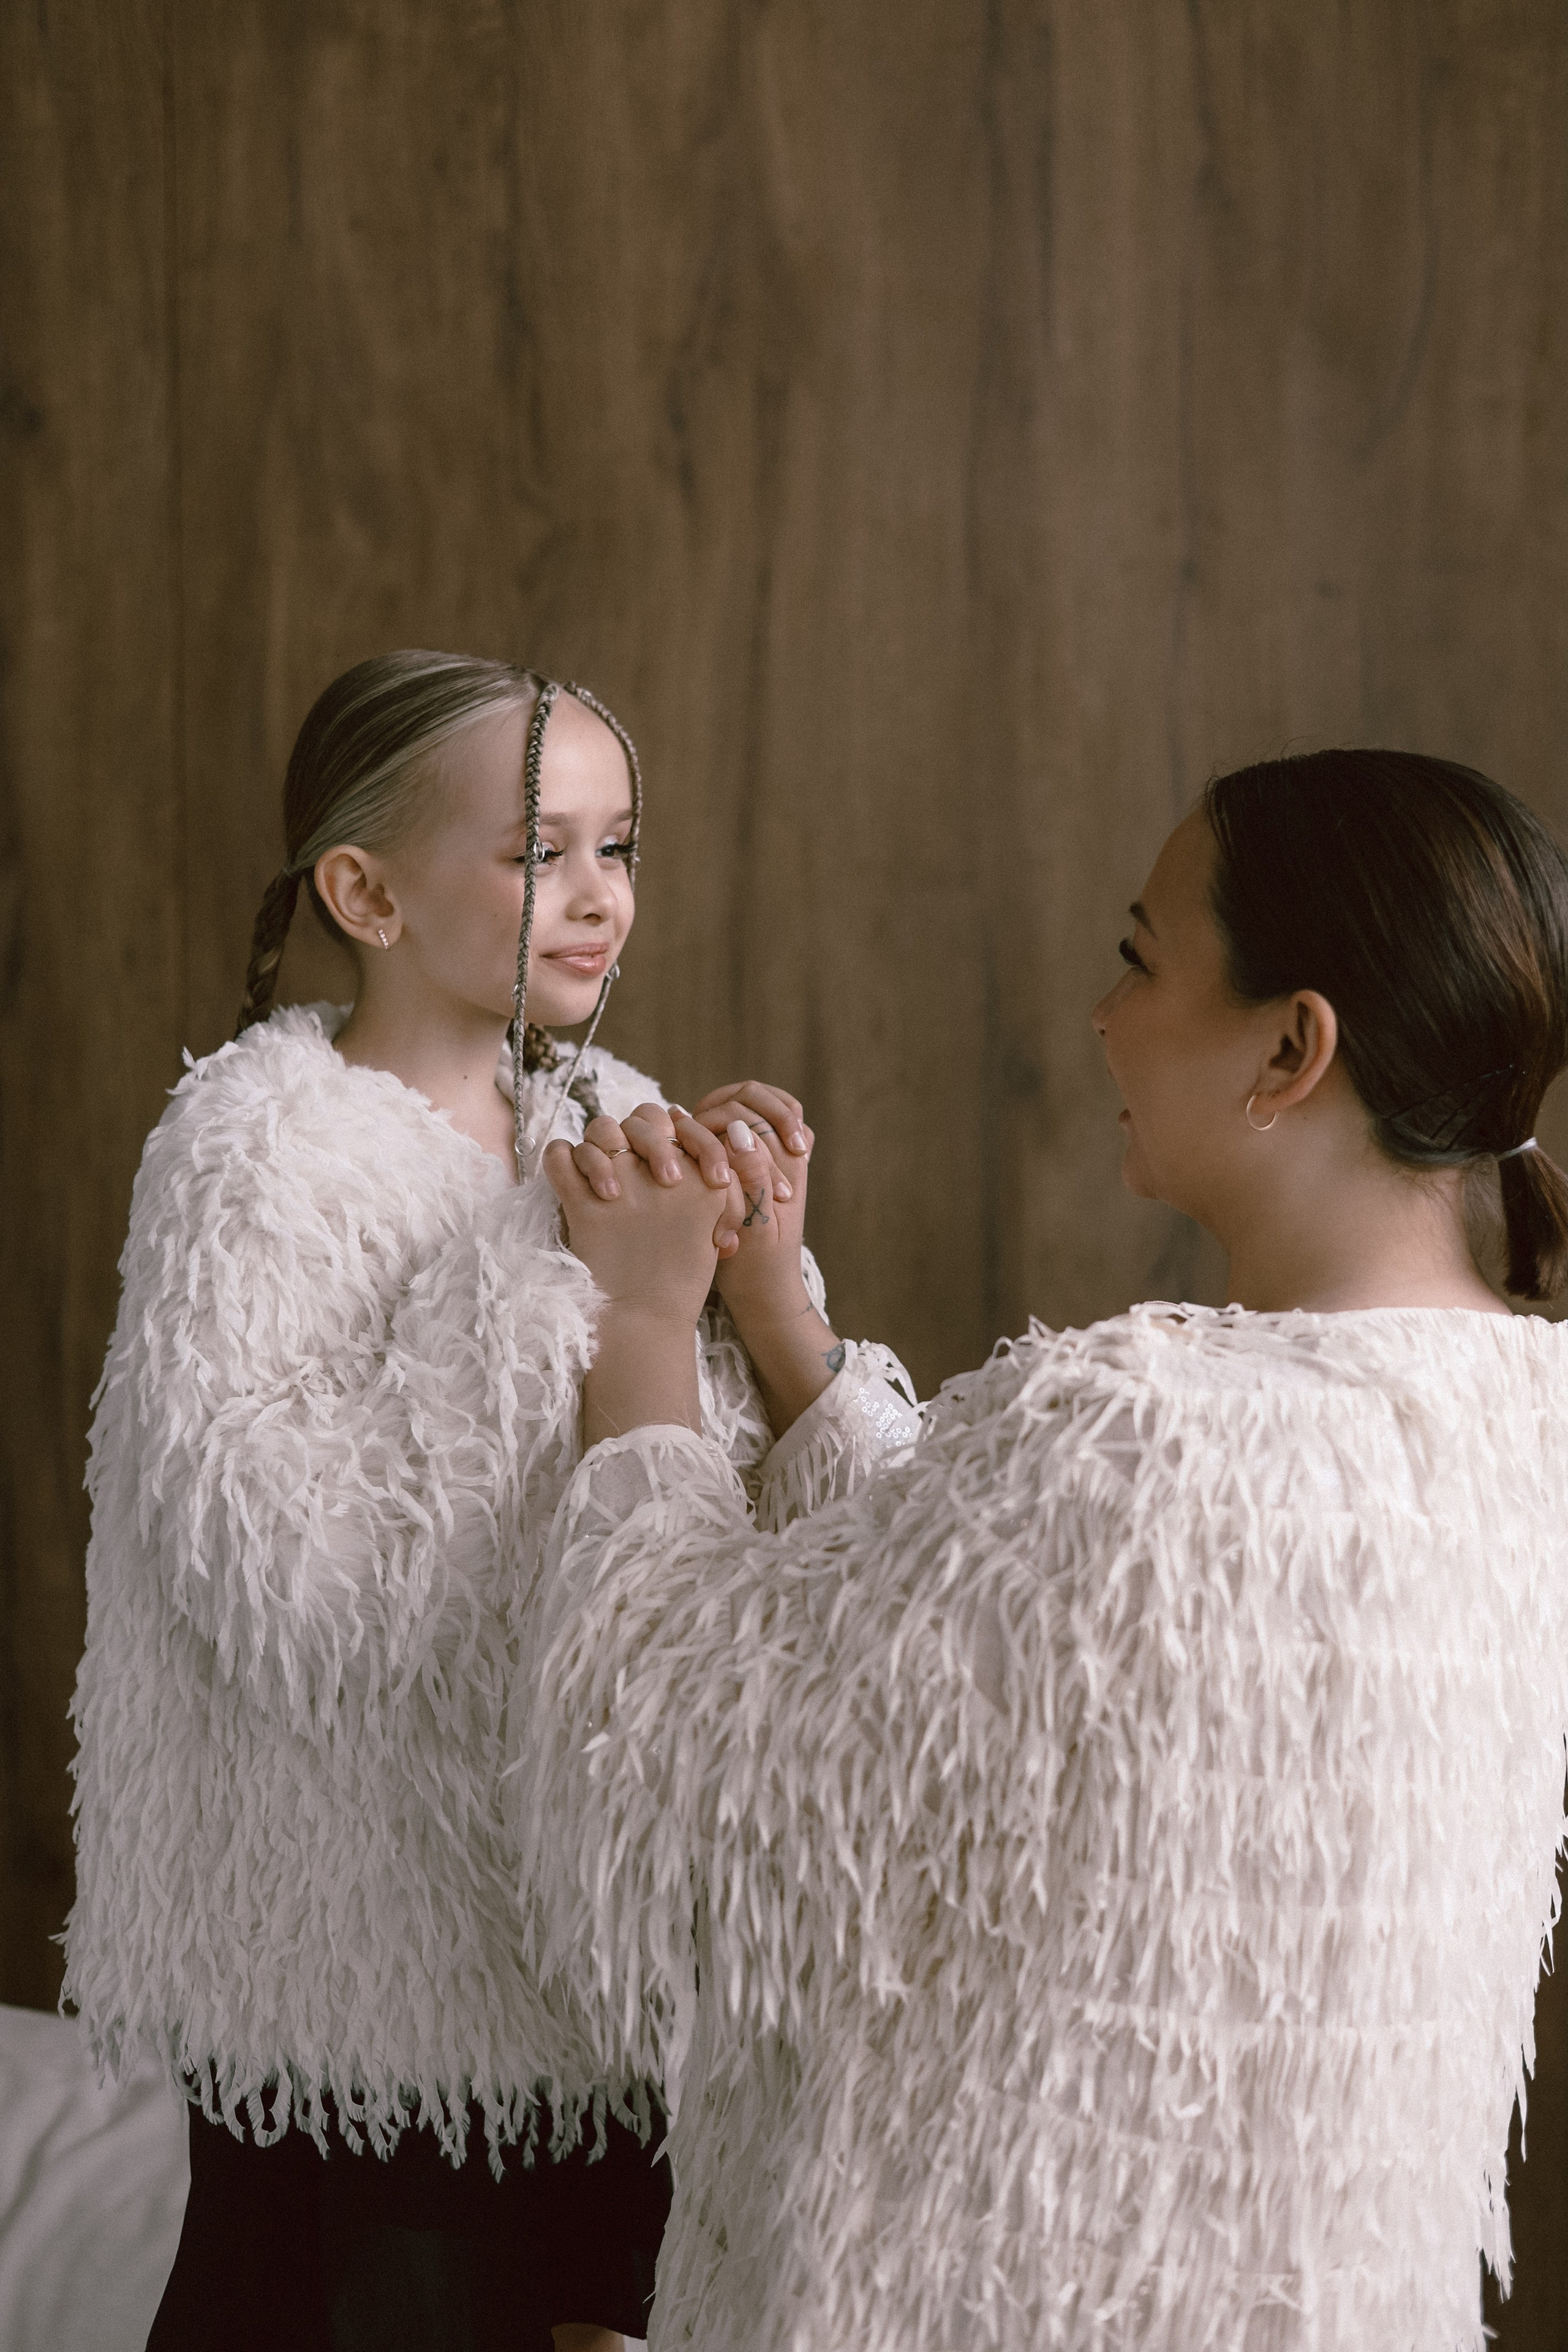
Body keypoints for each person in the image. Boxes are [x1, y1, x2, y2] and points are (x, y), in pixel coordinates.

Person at [521, 748, 1568, 2351]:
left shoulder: (1144, 1430)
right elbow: (987, 1638)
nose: (1101, 1015)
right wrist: (782, 1326)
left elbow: (677, 1793)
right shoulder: (1527, 1427)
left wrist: (642, 1322)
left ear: (1292, 1046)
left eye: (1142, 960)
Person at [63, 650, 918, 2352]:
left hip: (610, 1995)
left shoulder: (615, 1119)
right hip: (366, 2032)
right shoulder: (256, 1155)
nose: (601, 897)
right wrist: (554, 1254)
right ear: (367, 895)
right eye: (542, 852)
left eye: (621, 847)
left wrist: (764, 1293)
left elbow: (801, 1553)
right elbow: (285, 1574)